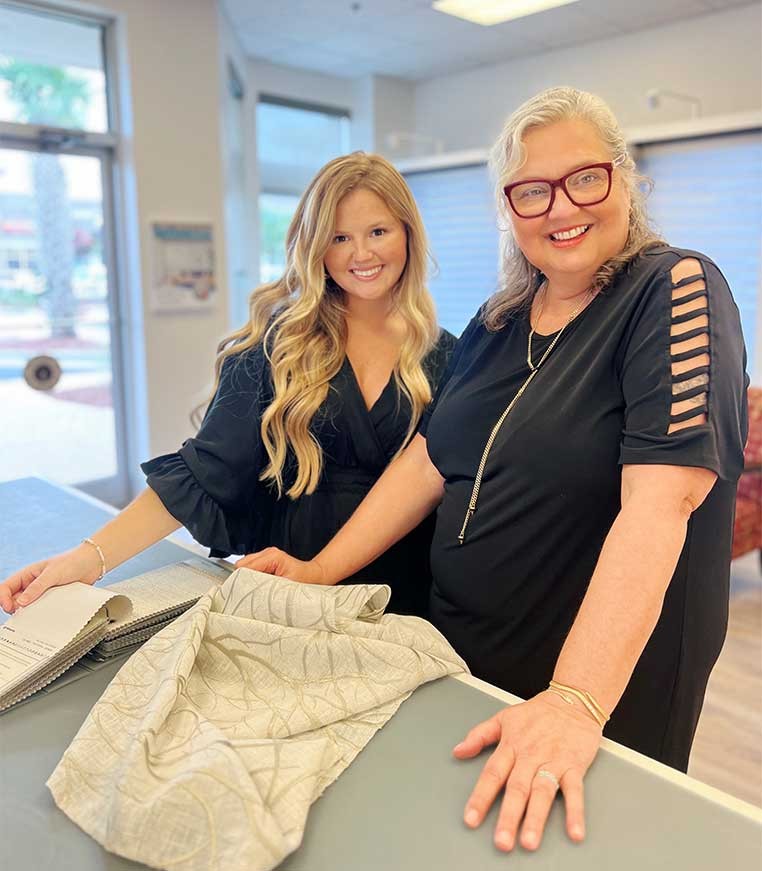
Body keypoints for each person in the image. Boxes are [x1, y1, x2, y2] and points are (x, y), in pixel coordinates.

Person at [235, 89, 749, 852]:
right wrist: (319, 568)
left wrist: (573, 699)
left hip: (599, 688)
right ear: (509, 210)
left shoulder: (671, 289)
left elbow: (661, 503)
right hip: (461, 660)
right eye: (530, 190)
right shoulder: (498, 319)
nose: (559, 207)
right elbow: (429, 458)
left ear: (626, 180)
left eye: (585, 178)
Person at [0, 152, 456, 619]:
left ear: (408, 233)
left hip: (406, 592)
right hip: (287, 581)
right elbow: (202, 473)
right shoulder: (277, 346)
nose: (361, 254)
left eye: (378, 232)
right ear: (316, 246)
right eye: (339, 237)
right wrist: (85, 560)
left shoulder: (449, 358)